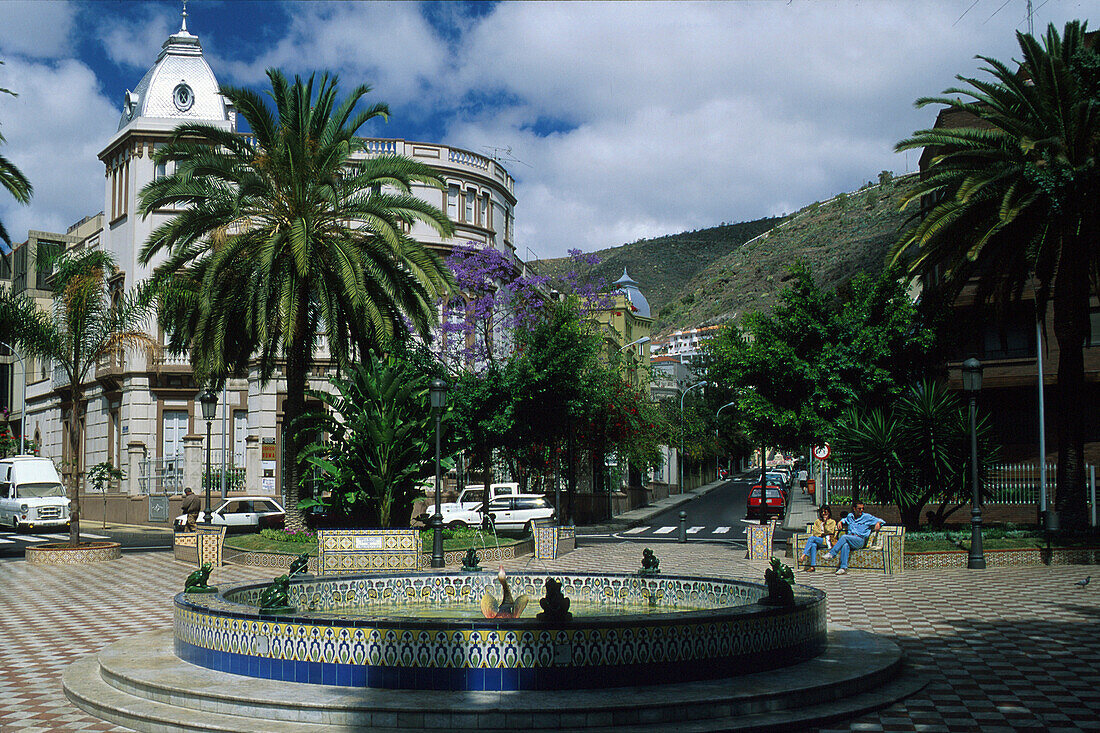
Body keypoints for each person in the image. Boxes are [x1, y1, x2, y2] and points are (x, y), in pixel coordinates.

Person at [822, 501, 883, 575]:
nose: (861, 510)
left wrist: (878, 523)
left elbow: (881, 520)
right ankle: (843, 568)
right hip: (851, 539)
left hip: (860, 540)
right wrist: (840, 522)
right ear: (854, 509)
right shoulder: (850, 516)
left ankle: (832, 554)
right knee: (845, 545)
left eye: (862, 509)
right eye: (859, 509)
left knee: (844, 537)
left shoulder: (867, 517)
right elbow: (844, 520)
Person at [798, 505, 837, 572]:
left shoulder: (832, 522)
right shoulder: (817, 521)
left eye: (826, 512)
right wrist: (822, 534)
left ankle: (803, 556)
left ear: (829, 513)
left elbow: (830, 531)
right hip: (818, 540)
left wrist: (825, 524)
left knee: (812, 538)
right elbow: (815, 532)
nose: (824, 514)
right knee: (813, 545)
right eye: (822, 512)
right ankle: (812, 566)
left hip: (826, 541)